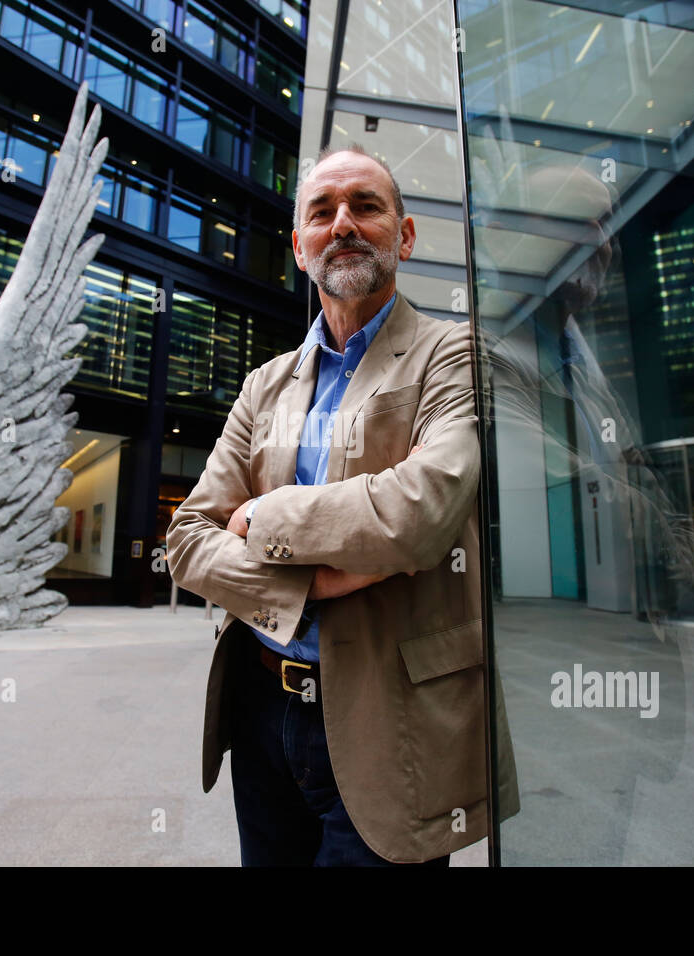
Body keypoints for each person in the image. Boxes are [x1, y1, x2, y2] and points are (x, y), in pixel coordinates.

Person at [166, 145, 519, 866]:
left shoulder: (452, 353)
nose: (343, 224)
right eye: (322, 213)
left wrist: (262, 518)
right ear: (300, 247)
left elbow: (420, 512)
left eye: (366, 205)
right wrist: (316, 582)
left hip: (392, 720)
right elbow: (188, 539)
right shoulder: (263, 385)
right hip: (262, 711)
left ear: (405, 234)